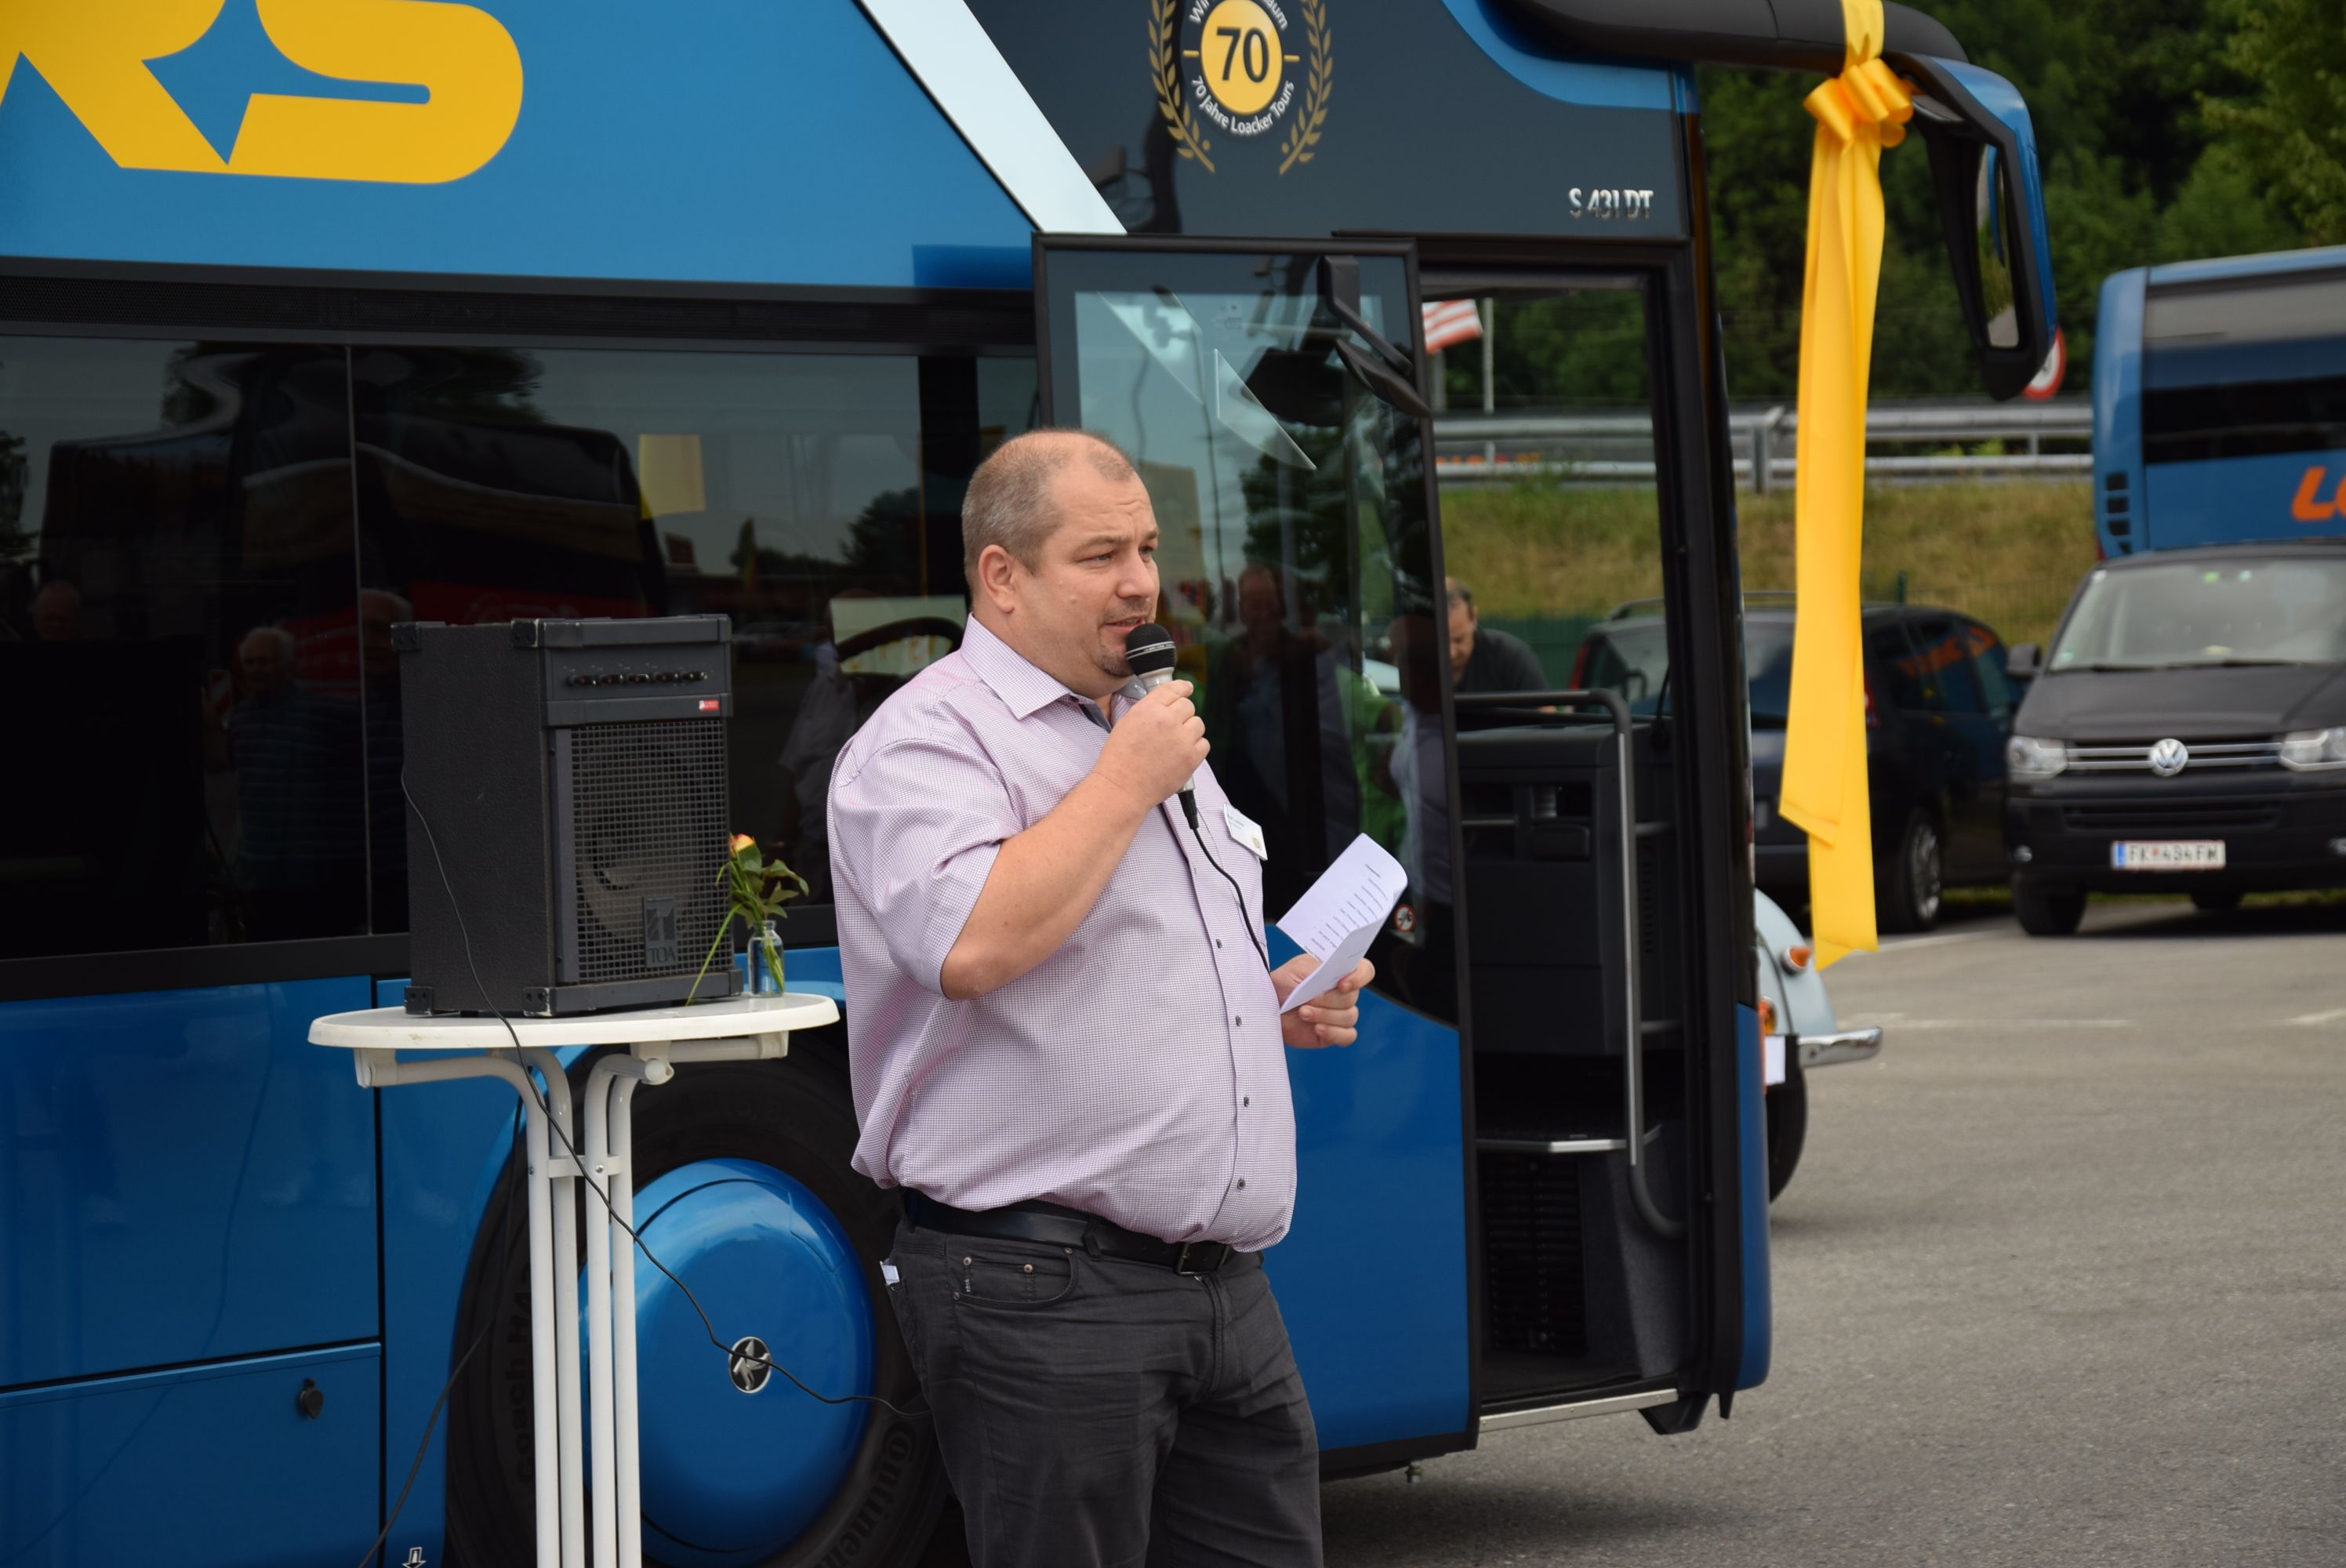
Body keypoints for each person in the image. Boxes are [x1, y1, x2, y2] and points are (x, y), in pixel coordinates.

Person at [827, 429, 1372, 1567]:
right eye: (1100, 555)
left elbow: (1129, 950)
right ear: (1002, 576)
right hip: (1042, 1291)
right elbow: (972, 940)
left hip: (1225, 1290)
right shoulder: (926, 741)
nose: (1140, 582)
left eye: (1148, 550)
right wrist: (1125, 780)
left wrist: (1263, 999)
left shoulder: (1142, 721)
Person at [1446, 575, 1549, 694]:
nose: (1451, 653)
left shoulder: (1510, 658)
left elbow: (1542, 705)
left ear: (1473, 616)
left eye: (1459, 640)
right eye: (1441, 643)